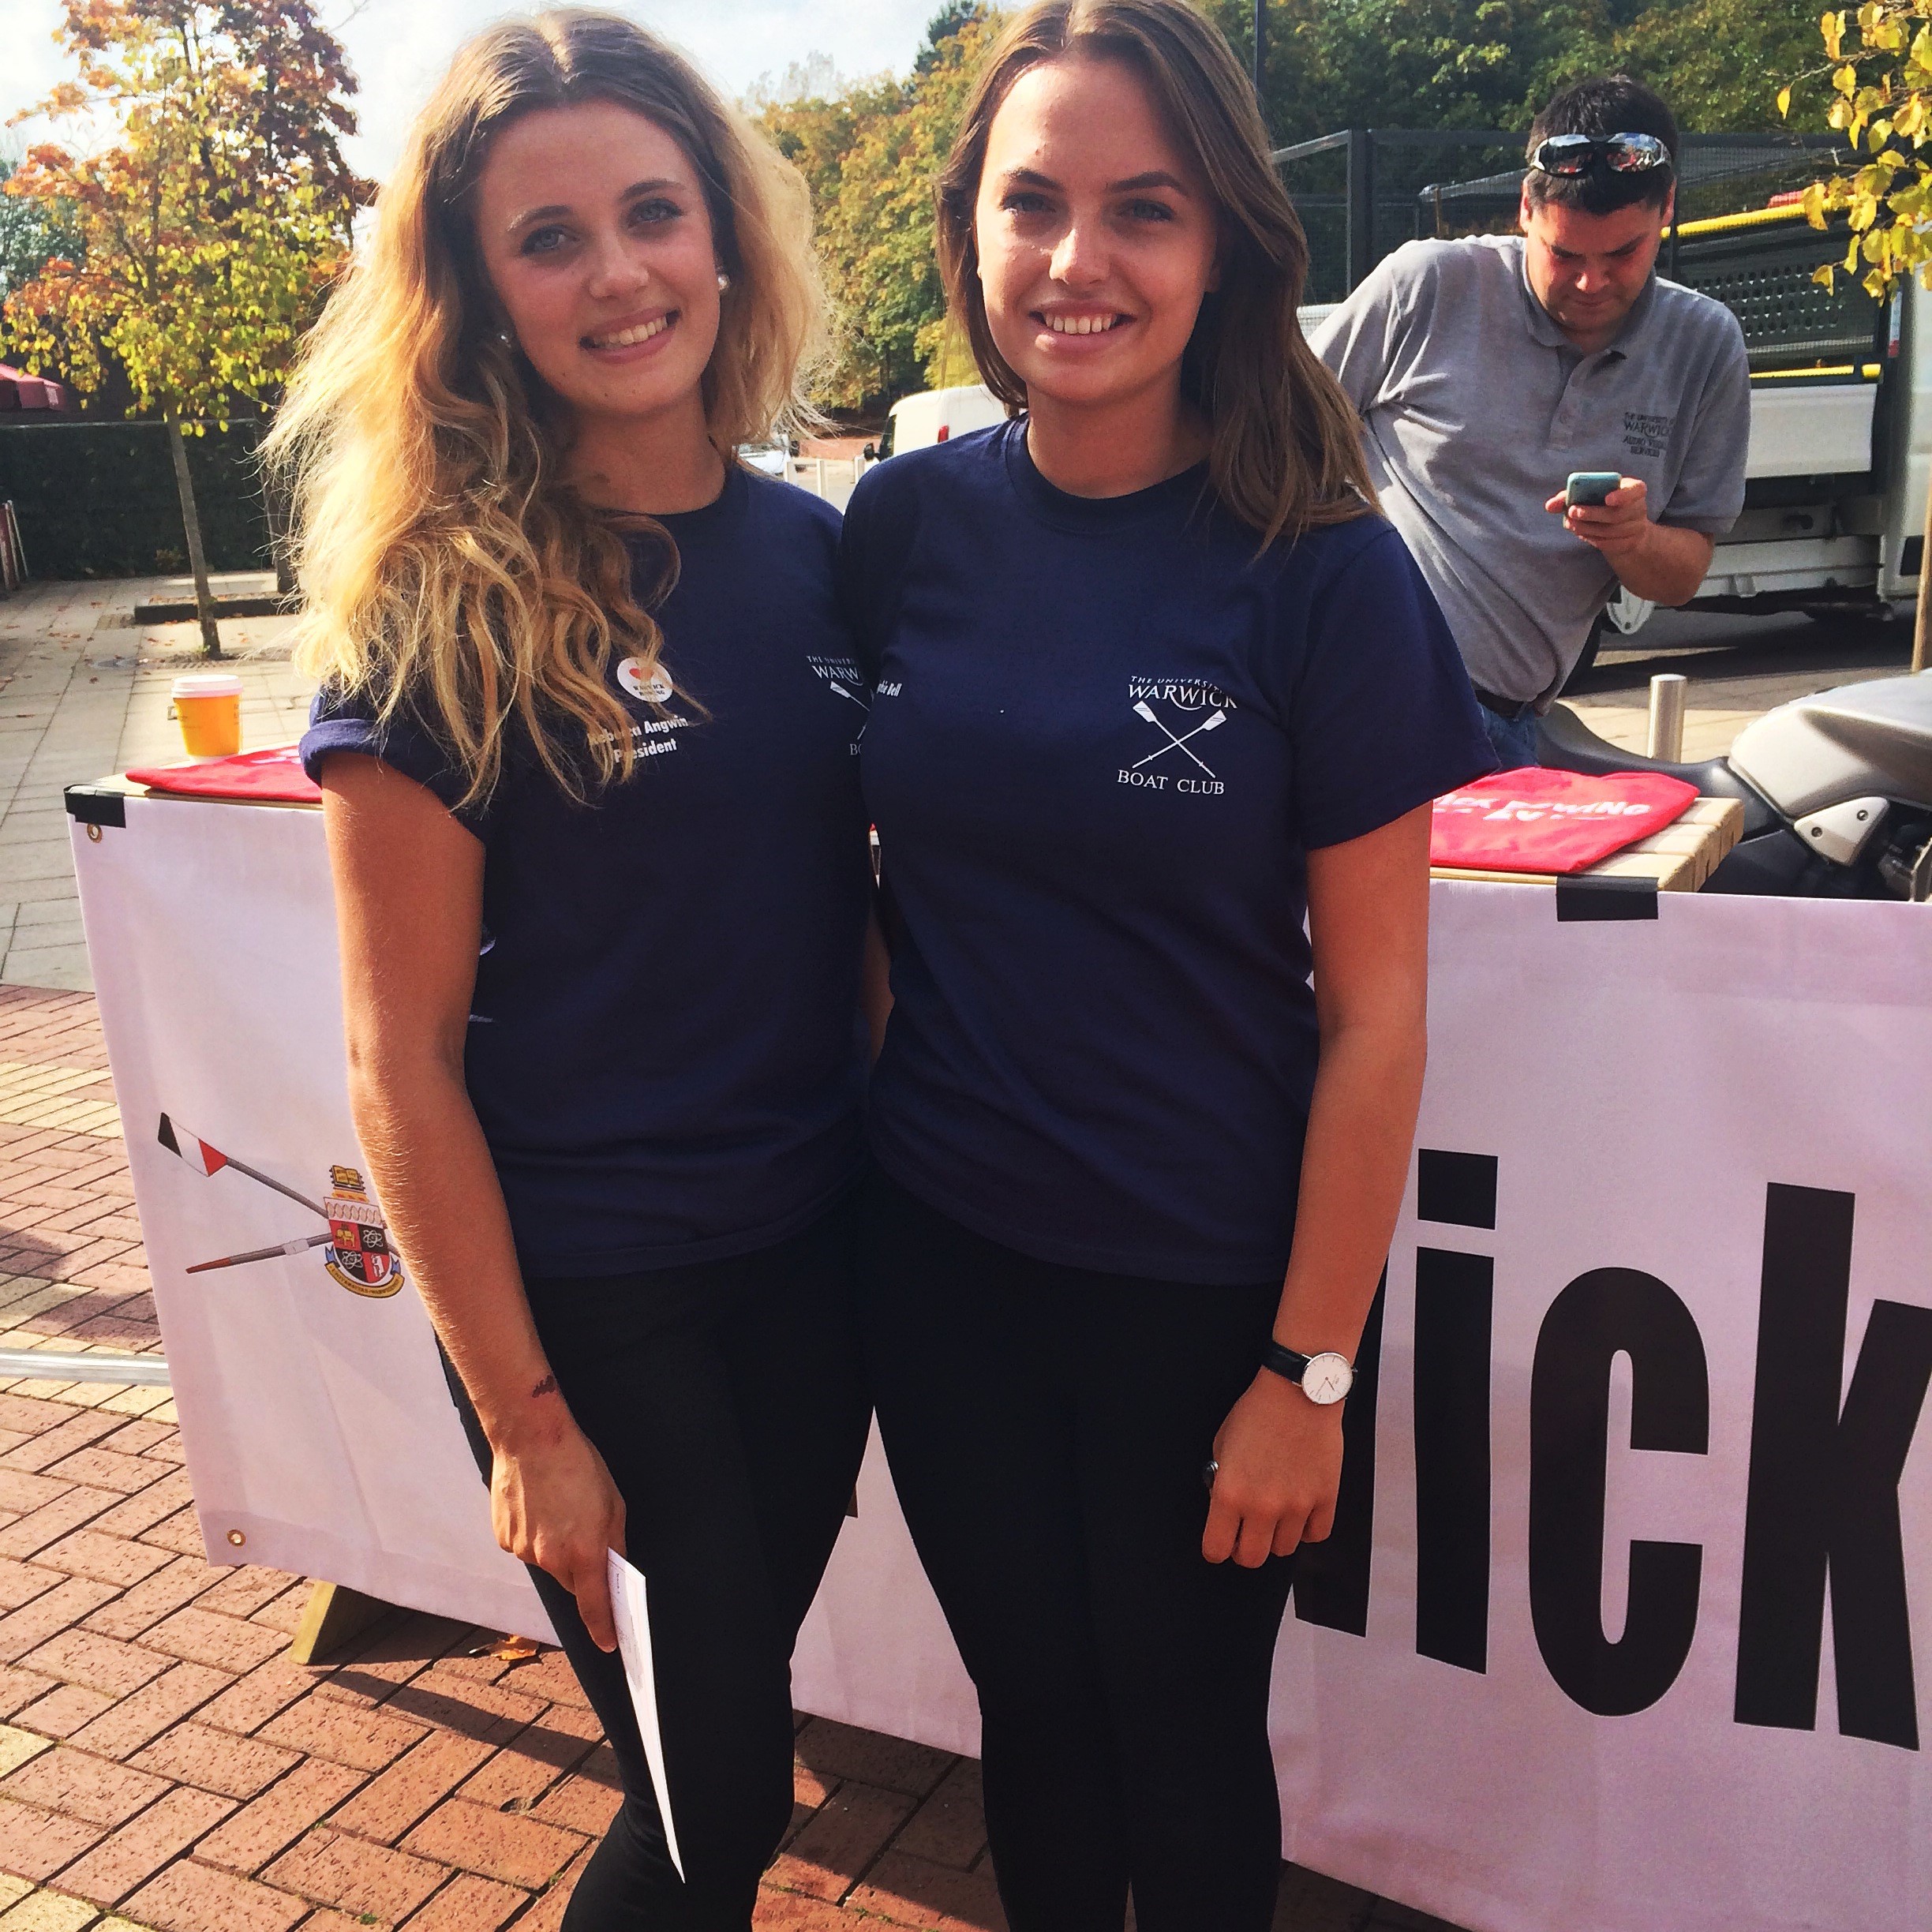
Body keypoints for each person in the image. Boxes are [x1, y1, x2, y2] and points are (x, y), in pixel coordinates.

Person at [837, 4, 1496, 1928]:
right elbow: (871, 887)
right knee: (1029, 1724)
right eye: (1030, 203)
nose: (1077, 260)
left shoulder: (1318, 568)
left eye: (1142, 208)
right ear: (968, 233)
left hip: (1197, 1299)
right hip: (940, 1266)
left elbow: (1376, 1015)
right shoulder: (898, 527)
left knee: (1185, 1740)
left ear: (1220, 245)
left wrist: (1307, 1359)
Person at [264, 13, 878, 1926]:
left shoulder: (818, 552)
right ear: (474, 293)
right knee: (710, 1809)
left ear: (722, 239)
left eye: (651, 212)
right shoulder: (435, 604)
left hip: (818, 1253)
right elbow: (396, 1063)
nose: (616, 272)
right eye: (548, 238)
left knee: (723, 1754)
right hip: (601, 1301)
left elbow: (844, 908)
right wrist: (524, 1416)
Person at [1310, 74, 1752, 767]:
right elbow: (1275, 437)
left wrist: (1631, 539)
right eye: (1565, 254)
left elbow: (1682, 576)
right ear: (1525, 208)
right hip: (1352, 692)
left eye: (1623, 254)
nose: (1591, 283)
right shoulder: (1428, 285)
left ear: (1667, 209)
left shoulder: (1705, 344)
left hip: (1503, 733)